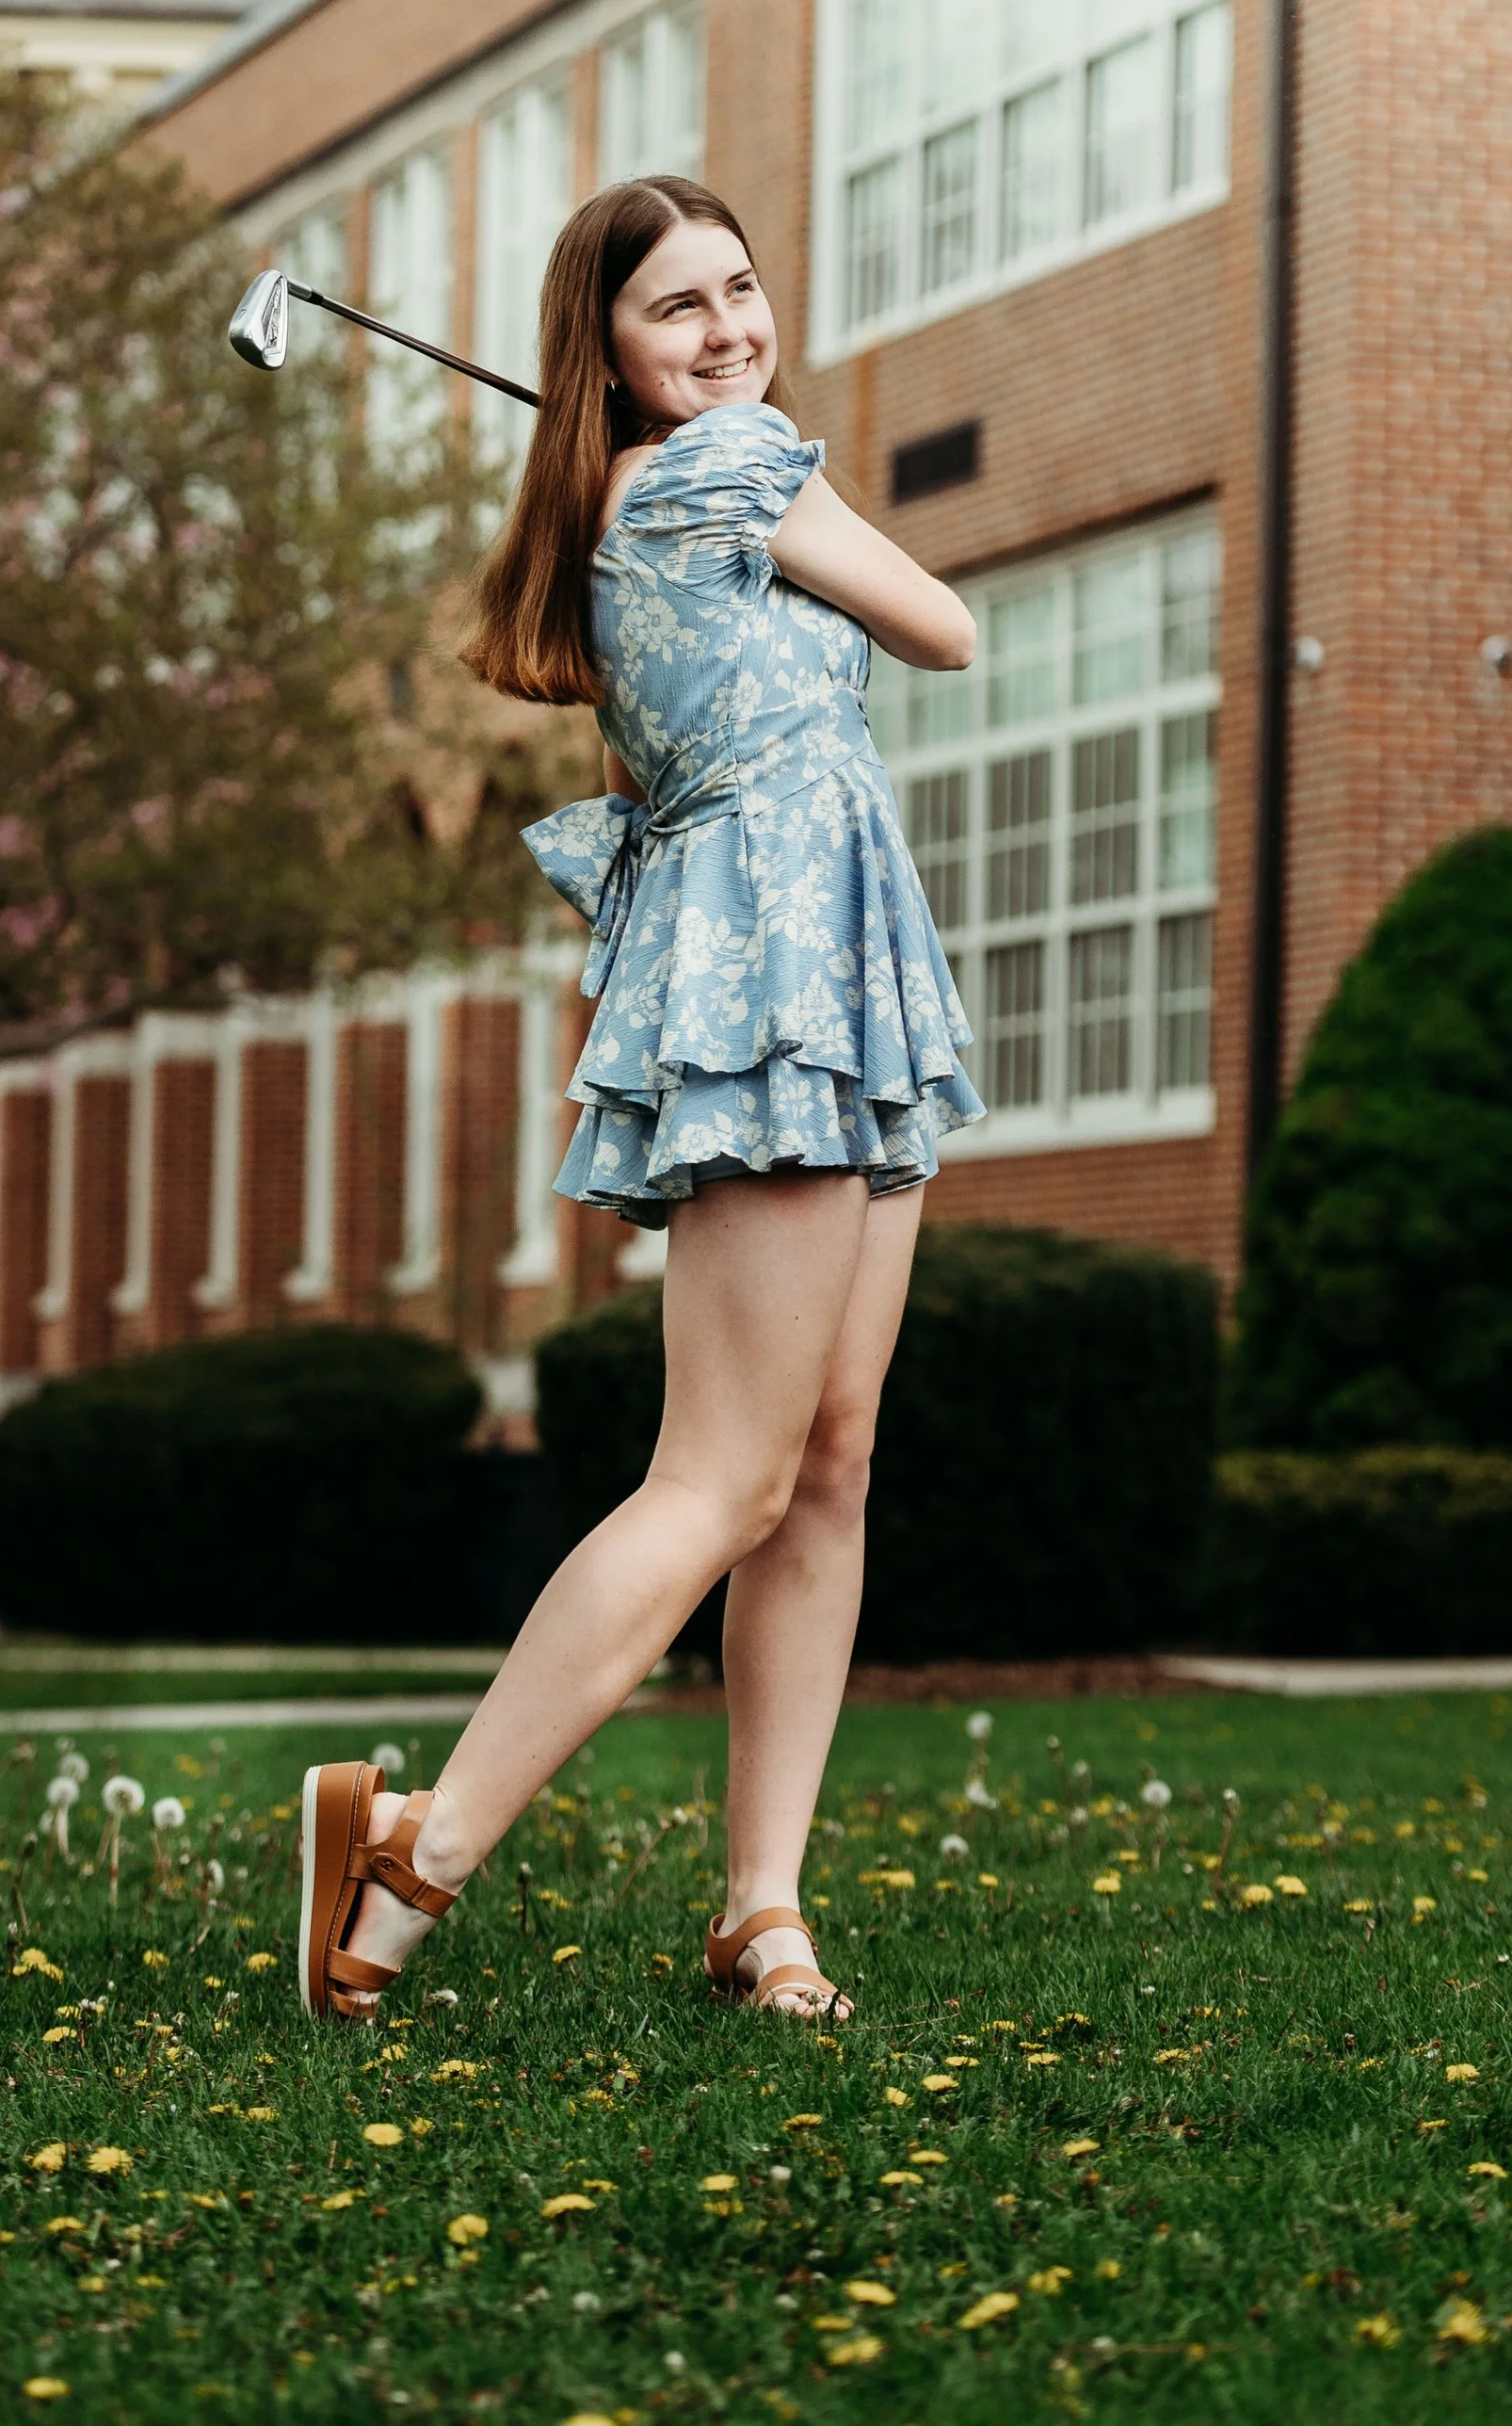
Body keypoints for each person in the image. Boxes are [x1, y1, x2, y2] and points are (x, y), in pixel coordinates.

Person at [299, 174, 982, 2025]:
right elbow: (942, 626)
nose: (726, 332)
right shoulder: (727, 472)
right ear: (601, 349)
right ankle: (412, 1849)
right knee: (725, 1476)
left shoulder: (614, 519)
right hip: (787, 992)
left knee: (823, 1463)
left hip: (824, 980)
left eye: (738, 291)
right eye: (674, 309)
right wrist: (765, 456)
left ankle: (761, 1909)